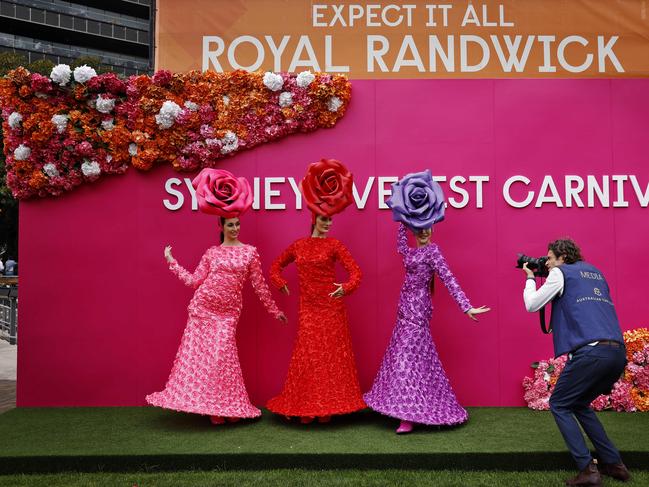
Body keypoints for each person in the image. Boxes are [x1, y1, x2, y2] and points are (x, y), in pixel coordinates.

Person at [146, 169, 287, 425]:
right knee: (202, 359)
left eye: (237, 224)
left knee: (223, 358)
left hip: (228, 313)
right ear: (220, 226)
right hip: (203, 308)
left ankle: (229, 406)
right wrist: (172, 262)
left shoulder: (249, 253)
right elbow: (194, 281)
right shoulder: (212, 253)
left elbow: (259, 285)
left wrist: (274, 310)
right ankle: (214, 408)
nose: (234, 228)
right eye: (229, 225)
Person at [364, 171, 490, 434]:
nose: (422, 232)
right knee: (405, 357)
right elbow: (400, 246)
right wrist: (401, 213)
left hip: (419, 310)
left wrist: (467, 306)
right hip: (403, 309)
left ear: (432, 227)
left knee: (409, 357)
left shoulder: (433, 252)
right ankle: (400, 408)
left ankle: (408, 416)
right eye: (418, 228)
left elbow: (449, 279)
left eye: (425, 227)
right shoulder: (410, 251)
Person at [522, 238, 630, 486]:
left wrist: (529, 277)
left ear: (562, 257)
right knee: (579, 404)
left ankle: (587, 470)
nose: (547, 263)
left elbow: (531, 304)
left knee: (559, 403)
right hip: (616, 352)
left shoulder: (560, 273)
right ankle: (614, 464)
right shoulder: (596, 273)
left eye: (549, 258)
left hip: (590, 352)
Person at [266, 159, 366, 423]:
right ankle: (306, 406)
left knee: (330, 357)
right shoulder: (299, 246)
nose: (327, 223)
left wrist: (345, 288)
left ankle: (327, 408)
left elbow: (357, 273)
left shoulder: (335, 245)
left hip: (332, 308)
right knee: (310, 356)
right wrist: (280, 283)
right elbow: (275, 267)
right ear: (314, 218)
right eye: (323, 219)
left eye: (330, 219)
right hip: (308, 308)